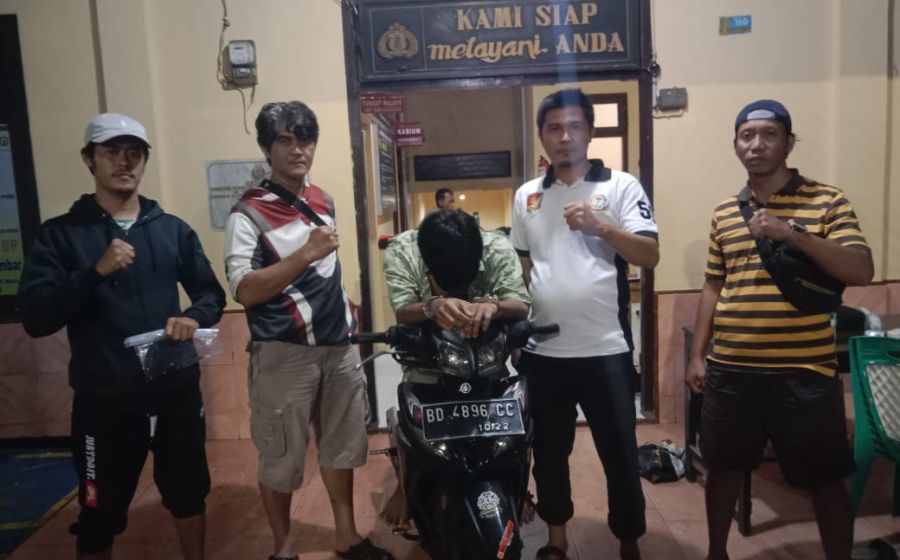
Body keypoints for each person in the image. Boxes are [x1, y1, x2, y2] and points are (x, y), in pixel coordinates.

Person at [19, 113, 226, 560]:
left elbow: (211, 293)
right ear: (89, 159)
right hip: (104, 402)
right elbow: (36, 317)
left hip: (175, 394)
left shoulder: (172, 230)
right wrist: (94, 272)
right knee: (99, 512)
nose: (124, 161)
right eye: (111, 151)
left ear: (145, 161)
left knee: (189, 493)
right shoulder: (61, 235)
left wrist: (193, 316)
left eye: (134, 152)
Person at [686, 99, 873, 560]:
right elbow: (713, 285)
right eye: (747, 136)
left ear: (789, 143)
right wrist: (697, 354)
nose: (757, 145)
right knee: (723, 469)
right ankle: (716, 553)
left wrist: (792, 233)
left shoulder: (827, 200)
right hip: (731, 369)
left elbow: (861, 269)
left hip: (805, 371)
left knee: (826, 479)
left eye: (769, 135)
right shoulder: (725, 212)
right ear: (736, 145)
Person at [224, 101, 393, 560]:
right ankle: (283, 548)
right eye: (285, 140)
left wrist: (347, 310)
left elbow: (326, 272)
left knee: (342, 447)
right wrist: (304, 255)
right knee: (280, 456)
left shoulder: (323, 200)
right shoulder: (247, 213)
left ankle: (346, 536)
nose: (298, 149)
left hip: (337, 347)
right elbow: (244, 289)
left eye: (305, 139)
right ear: (267, 148)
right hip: (284, 353)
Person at [510, 88, 659, 560]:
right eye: (554, 128)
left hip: (605, 349)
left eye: (575, 126)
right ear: (542, 136)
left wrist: (603, 227)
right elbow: (524, 266)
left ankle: (629, 541)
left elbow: (650, 255)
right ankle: (556, 540)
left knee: (620, 455)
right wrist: (521, 327)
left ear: (590, 132)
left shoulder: (621, 186)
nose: (565, 137)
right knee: (549, 454)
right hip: (544, 353)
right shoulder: (527, 195)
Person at [380, 208, 530, 528]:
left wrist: (494, 306)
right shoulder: (403, 250)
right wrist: (432, 306)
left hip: (486, 357)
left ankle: (515, 484)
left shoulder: (497, 248)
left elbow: (521, 304)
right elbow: (402, 310)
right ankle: (405, 487)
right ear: (427, 267)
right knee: (416, 422)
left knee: (509, 418)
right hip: (426, 357)